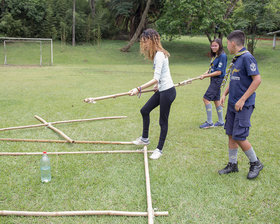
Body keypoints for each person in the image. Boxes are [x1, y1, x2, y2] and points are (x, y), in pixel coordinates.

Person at [218, 30, 263, 179]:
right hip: (232, 104)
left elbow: (257, 80)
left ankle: (255, 163)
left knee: (239, 135)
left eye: (227, 44)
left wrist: (243, 99)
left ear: (232, 43)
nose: (227, 47)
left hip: (243, 104)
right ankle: (233, 164)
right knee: (231, 133)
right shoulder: (236, 59)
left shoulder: (247, 58)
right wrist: (224, 94)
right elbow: (234, 80)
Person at [129, 28, 176, 160]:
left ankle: (159, 150)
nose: (144, 44)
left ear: (152, 40)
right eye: (143, 42)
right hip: (161, 89)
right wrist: (157, 85)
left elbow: (156, 77)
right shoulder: (157, 55)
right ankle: (145, 139)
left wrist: (138, 89)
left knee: (163, 121)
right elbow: (161, 76)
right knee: (144, 110)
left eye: (145, 41)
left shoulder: (160, 55)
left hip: (168, 92)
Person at [199, 38, 227, 128]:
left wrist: (205, 76)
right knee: (216, 100)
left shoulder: (222, 56)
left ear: (220, 46)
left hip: (217, 80)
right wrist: (206, 73)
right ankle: (221, 121)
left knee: (206, 99)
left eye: (215, 45)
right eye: (212, 45)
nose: (213, 47)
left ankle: (210, 122)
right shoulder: (215, 55)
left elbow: (219, 72)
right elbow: (212, 68)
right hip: (214, 79)